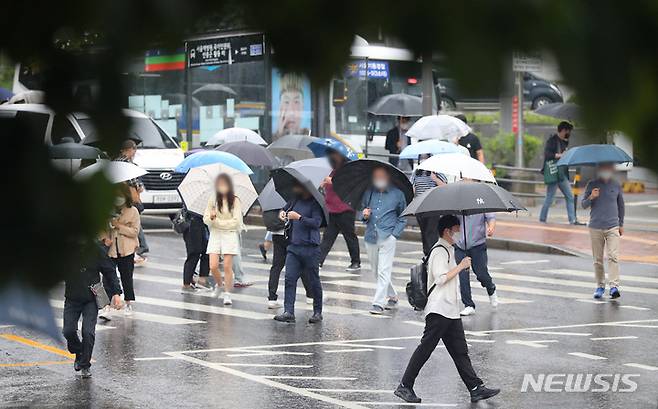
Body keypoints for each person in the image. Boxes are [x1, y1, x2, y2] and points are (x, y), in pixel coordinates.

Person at [394, 215, 500, 404]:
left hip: (450, 311)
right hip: (439, 310)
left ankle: (475, 388)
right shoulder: (439, 251)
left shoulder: (450, 249)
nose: (459, 233)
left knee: (460, 351)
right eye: (456, 230)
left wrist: (461, 266)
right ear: (447, 231)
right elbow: (441, 278)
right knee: (425, 349)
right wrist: (460, 267)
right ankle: (404, 385)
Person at [63, 240, 123, 378]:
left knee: (88, 332)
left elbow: (110, 270)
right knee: (68, 331)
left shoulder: (96, 250)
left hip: (91, 298)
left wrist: (116, 293)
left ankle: (85, 365)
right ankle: (79, 352)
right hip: (72, 298)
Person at [273, 181, 324, 324]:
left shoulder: (315, 203)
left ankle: (317, 312)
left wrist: (300, 218)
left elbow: (317, 223)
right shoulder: (294, 200)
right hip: (294, 247)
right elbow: (284, 210)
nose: (295, 189)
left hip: (310, 248)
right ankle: (288, 311)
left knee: (314, 281)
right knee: (289, 279)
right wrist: (282, 213)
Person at [361, 165, 407, 315]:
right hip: (370, 236)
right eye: (376, 176)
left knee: (383, 271)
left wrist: (395, 235)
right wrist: (365, 215)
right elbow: (363, 215)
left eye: (382, 176)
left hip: (388, 236)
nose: (379, 179)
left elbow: (403, 216)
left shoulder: (398, 194)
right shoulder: (369, 193)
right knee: (376, 271)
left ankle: (378, 303)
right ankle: (392, 296)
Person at [582, 163, 625, 299]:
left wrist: (621, 224)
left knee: (613, 256)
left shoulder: (616, 184)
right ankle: (600, 286)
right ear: (599, 169)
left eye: (608, 168)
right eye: (604, 168)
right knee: (598, 260)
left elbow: (621, 205)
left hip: (613, 226)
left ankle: (614, 287)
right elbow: (583, 205)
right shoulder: (591, 184)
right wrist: (591, 197)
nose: (606, 170)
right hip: (595, 227)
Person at [203, 173, 244, 305]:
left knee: (227, 266)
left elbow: (236, 222)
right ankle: (219, 285)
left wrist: (218, 222)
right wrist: (212, 218)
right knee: (213, 266)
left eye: (224, 184)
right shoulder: (213, 200)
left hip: (230, 234)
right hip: (215, 234)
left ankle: (227, 293)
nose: (222, 187)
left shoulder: (235, 200)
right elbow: (206, 219)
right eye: (219, 184)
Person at [318, 148, 361, 271]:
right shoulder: (331, 169)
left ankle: (356, 262)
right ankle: (319, 261)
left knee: (349, 236)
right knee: (328, 236)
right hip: (332, 209)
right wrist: (324, 183)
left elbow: (347, 184)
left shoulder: (348, 169)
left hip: (345, 209)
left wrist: (331, 181)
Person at [265, 210, 315, 309]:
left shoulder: (274, 198)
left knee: (276, 266)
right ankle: (310, 296)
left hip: (276, 233)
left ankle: (272, 298)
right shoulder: (293, 199)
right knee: (301, 264)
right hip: (290, 234)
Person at [454, 213, 498, 316]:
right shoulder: (457, 201)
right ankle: (468, 305)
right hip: (460, 246)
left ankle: (490, 288)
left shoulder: (480, 200)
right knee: (463, 275)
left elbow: (491, 217)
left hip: (478, 245)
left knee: (481, 274)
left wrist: (491, 228)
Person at [115, 139, 149, 265]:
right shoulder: (129, 165)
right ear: (131, 150)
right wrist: (138, 188)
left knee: (121, 222)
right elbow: (135, 185)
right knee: (133, 224)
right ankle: (138, 250)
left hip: (116, 198)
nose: (134, 152)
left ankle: (139, 248)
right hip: (128, 199)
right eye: (134, 150)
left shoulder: (114, 162)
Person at [107, 185, 140, 315]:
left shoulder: (133, 211)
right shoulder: (108, 209)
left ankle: (128, 302)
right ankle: (109, 303)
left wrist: (118, 226)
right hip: (111, 248)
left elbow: (134, 232)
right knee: (108, 276)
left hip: (127, 249)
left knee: (127, 276)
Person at [539, 121, 579, 225]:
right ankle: (542, 219)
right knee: (549, 198)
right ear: (562, 130)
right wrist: (560, 155)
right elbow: (547, 154)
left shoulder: (565, 141)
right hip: (553, 173)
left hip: (562, 174)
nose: (568, 133)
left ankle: (572, 220)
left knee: (570, 196)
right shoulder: (552, 140)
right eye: (567, 131)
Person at [412, 167, 447, 255]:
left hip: (433, 207)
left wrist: (435, 179)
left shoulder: (437, 172)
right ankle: (427, 254)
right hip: (419, 206)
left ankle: (432, 254)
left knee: (430, 232)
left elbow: (445, 187)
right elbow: (412, 186)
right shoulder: (416, 172)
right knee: (424, 232)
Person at [272, 73, 309, 140]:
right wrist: (279, 135)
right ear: (280, 107)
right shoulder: (270, 140)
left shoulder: (311, 136)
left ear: (302, 107)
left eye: (296, 102)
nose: (291, 111)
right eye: (286, 102)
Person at [182, 209, 210, 291]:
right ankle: (187, 282)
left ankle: (202, 279)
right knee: (194, 253)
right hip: (192, 225)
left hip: (201, 225)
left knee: (206, 251)